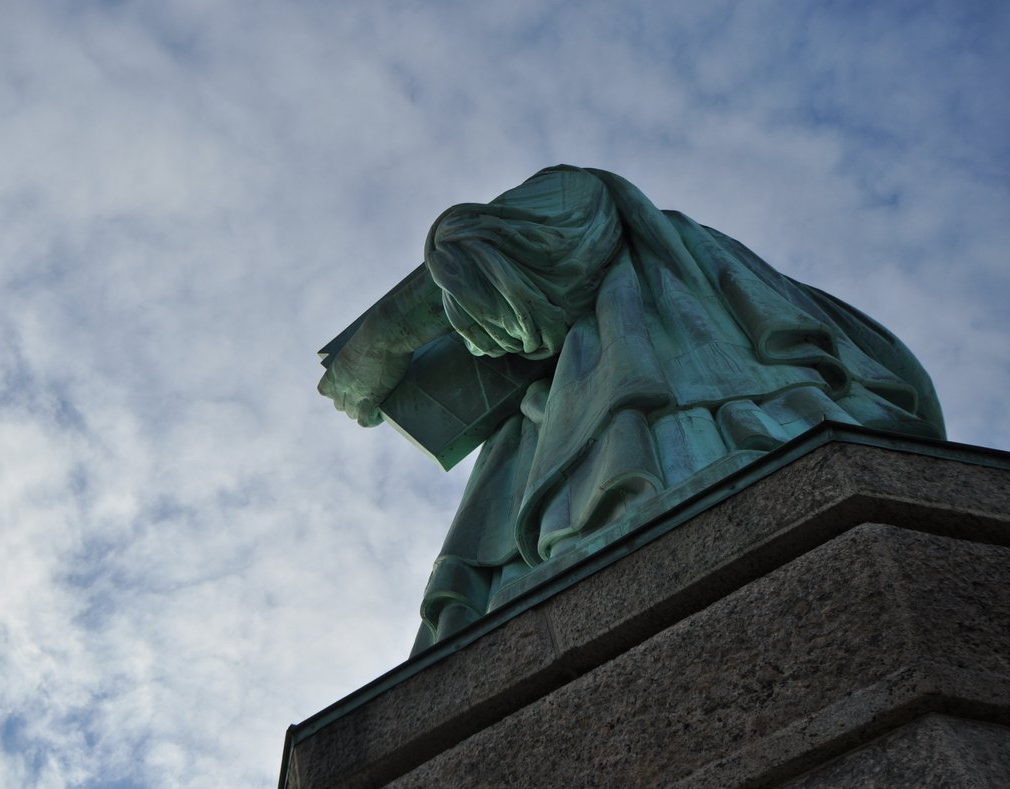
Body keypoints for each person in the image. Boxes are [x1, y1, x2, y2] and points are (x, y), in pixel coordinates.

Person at [318, 165, 945, 656]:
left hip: (691, 421)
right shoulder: (551, 384)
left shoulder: (575, 194)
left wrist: (381, 344)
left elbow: (482, 244)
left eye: (477, 327)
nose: (479, 344)